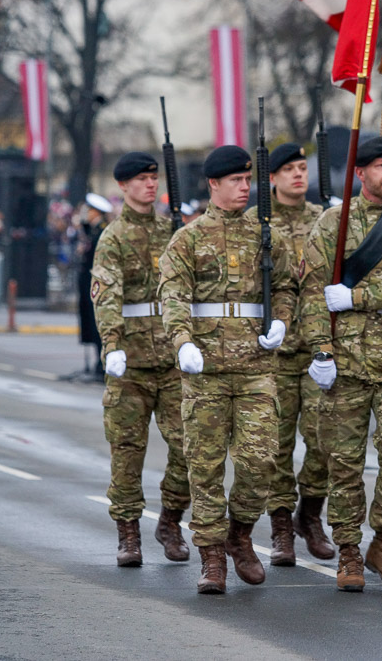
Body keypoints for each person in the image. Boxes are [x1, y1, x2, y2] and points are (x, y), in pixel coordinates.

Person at [299, 136, 382, 592]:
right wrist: (320, 350)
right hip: (346, 360)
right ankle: (349, 551)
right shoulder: (332, 223)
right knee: (344, 464)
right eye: (381, 165)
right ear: (360, 174)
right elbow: (313, 293)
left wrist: (358, 296)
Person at [159, 145, 296, 593]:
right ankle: (212, 555)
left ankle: (240, 533)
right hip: (207, 370)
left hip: (256, 366)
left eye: (247, 180)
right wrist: (182, 342)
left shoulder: (266, 235)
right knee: (205, 466)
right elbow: (174, 296)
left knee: (261, 462)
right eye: (235, 181)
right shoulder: (189, 238)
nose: (245, 187)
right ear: (214, 185)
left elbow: (288, 287)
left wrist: (282, 321)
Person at [89, 152, 192, 568]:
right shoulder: (113, 237)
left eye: (154, 178)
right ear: (123, 186)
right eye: (141, 179)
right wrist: (112, 344)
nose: (150, 185)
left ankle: (170, 520)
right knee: (127, 453)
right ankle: (128, 533)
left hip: (171, 361)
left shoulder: (175, 231)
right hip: (129, 363)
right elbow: (107, 295)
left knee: (189, 446)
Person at [252, 143, 334, 566]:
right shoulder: (256, 223)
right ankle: (281, 524)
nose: (299, 175)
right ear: (272, 178)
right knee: (277, 445)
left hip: (319, 348)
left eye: (303, 168)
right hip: (276, 354)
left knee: (323, 440)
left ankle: (311, 514)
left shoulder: (326, 218)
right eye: (289, 169)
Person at [78, 193, 113, 377]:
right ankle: (98, 363)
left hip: (97, 285)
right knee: (91, 324)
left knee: (98, 324)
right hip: (89, 284)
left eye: (88, 210)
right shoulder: (92, 229)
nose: (86, 213)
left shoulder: (101, 231)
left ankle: (102, 365)